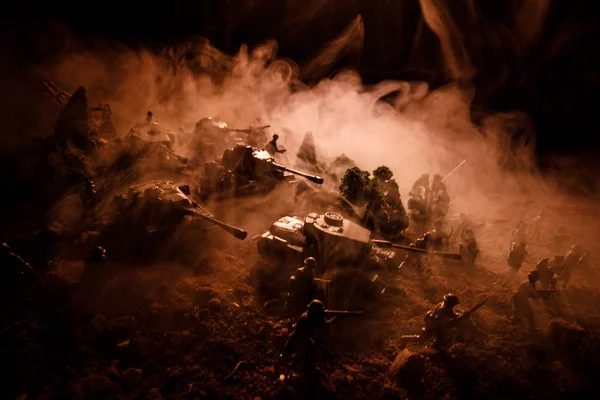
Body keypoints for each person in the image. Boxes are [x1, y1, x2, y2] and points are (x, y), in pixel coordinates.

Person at [279, 299, 336, 368]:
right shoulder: (306, 318)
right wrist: (332, 320)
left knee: (313, 356)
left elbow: (321, 323)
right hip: (299, 339)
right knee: (290, 355)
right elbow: (322, 325)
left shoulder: (310, 315)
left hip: (305, 339)